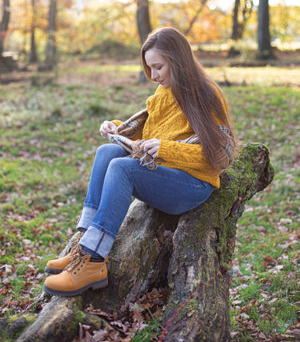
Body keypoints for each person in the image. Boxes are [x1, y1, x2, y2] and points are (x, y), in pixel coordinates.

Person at [43, 27, 236, 297]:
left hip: (193, 185)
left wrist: (166, 149)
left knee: (123, 168)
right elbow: (151, 136)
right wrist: (118, 129)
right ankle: (83, 247)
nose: (153, 75)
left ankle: (94, 262)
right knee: (106, 153)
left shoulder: (206, 95)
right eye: (150, 68)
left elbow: (218, 157)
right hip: (167, 174)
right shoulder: (162, 92)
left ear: (177, 61)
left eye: (158, 67)